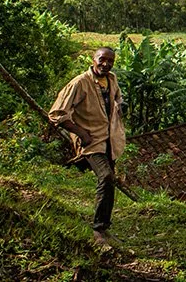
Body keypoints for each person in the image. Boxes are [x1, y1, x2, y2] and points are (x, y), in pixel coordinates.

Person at [48, 47, 126, 244]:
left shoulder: (112, 79)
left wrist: (119, 108)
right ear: (93, 59)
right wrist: (81, 133)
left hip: (110, 140)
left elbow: (118, 98)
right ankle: (98, 230)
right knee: (106, 177)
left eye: (110, 61)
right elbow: (57, 114)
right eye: (102, 60)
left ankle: (105, 227)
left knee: (109, 181)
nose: (106, 64)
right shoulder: (80, 83)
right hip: (92, 142)